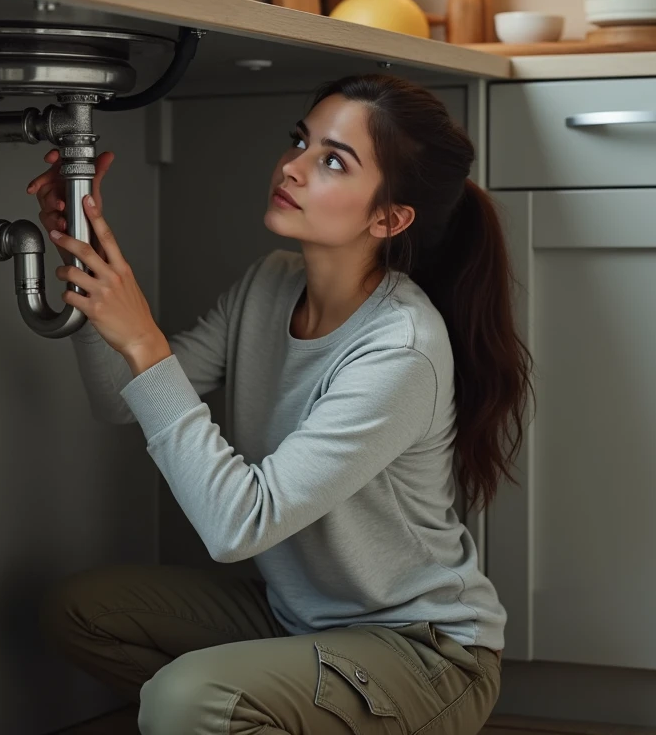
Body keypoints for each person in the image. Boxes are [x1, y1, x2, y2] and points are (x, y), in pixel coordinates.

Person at [26, 74, 533, 735]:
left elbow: (238, 525)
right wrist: (88, 264)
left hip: (420, 652)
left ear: (388, 218)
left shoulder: (400, 349)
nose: (292, 166)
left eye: (332, 161)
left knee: (185, 701)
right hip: (296, 618)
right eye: (300, 140)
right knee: (80, 611)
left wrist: (146, 341)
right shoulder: (269, 284)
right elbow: (120, 399)